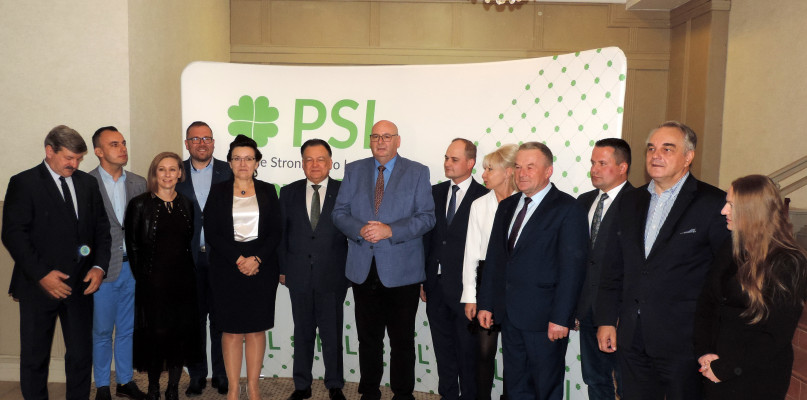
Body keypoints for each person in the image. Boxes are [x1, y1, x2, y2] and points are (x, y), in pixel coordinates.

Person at [595, 121, 730, 400]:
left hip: (685, 342)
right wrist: (606, 319)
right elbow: (613, 267)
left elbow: (724, 275)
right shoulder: (630, 202)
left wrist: (715, 341)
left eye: (667, 149)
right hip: (632, 338)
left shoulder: (712, 203)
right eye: (651, 149)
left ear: (688, 156)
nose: (656, 155)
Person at [2, 125, 111, 399]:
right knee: (35, 356)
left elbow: (101, 229)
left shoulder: (88, 183)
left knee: (80, 356)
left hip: (81, 285)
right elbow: (13, 234)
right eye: (69, 158)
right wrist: (43, 275)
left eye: (79, 159)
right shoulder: (24, 182)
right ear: (49, 151)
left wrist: (99, 267)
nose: (74, 164)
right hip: (38, 286)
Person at [332, 120, 436, 400]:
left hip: (403, 272)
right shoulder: (354, 170)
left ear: (398, 141)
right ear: (370, 140)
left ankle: (403, 394)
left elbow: (427, 218)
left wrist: (390, 230)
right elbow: (339, 213)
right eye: (375, 136)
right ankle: (369, 391)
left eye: (387, 136)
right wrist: (360, 230)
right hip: (363, 270)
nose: (380, 141)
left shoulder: (417, 172)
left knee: (402, 341)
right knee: (368, 339)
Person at [477, 142, 589, 400]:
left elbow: (572, 270)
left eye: (530, 167)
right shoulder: (507, 205)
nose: (522, 173)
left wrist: (561, 317)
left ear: (548, 171)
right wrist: (487, 303)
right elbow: (495, 259)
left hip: (546, 319)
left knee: (545, 387)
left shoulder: (568, 208)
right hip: (509, 314)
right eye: (518, 167)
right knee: (515, 386)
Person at [694, 175, 807, 400]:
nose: (723, 211)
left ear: (753, 211)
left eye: (732, 205)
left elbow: (776, 335)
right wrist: (704, 351)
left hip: (755, 375)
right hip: (715, 364)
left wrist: (726, 368)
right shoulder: (731, 245)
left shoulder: (789, 261)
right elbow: (707, 302)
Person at [204, 135, 282, 400]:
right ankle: (234, 389)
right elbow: (212, 232)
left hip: (261, 268)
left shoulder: (268, 190)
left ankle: (254, 387)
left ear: (257, 162)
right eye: (237, 158)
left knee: (256, 329)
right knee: (231, 330)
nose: (243, 163)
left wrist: (256, 259)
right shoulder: (218, 191)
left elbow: (275, 232)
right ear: (229, 163)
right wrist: (239, 259)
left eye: (249, 158)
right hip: (227, 268)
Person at [125, 152, 204, 400]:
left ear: (180, 173)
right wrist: (144, 278)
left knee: (179, 335)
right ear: (154, 173)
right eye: (162, 169)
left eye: (173, 169)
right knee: (156, 335)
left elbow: (188, 243)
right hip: (153, 283)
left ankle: (172, 388)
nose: (167, 174)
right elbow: (133, 246)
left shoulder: (187, 204)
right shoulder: (139, 204)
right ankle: (153, 387)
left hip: (183, 282)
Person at [279, 139, 349, 400]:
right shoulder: (288, 192)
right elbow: (281, 235)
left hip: (333, 274)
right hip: (297, 274)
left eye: (321, 159)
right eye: (309, 159)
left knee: (332, 333)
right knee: (302, 332)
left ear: (330, 163)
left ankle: (335, 384)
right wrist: (282, 269)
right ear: (302, 163)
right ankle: (302, 385)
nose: (315, 164)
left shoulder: (345, 191)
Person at [422, 138, 488, 400]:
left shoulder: (484, 197)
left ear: (471, 163)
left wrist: (479, 291)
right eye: (446, 158)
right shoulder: (434, 192)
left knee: (468, 353)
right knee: (443, 350)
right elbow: (427, 238)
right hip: (435, 286)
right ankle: (447, 395)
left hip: (467, 292)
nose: (447, 163)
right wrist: (423, 279)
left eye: (454, 159)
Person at [89, 126, 148, 400]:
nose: (122, 148)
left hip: (132, 268)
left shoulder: (138, 183)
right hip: (101, 270)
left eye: (123, 143)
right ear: (98, 151)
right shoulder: (86, 183)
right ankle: (102, 385)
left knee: (127, 329)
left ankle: (125, 381)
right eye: (114, 144)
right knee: (102, 330)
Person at [175, 121, 232, 396]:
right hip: (188, 259)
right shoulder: (176, 172)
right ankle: (197, 374)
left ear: (213, 143)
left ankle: (221, 374)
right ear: (187, 144)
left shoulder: (228, 171)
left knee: (221, 319)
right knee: (193, 321)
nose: (201, 143)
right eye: (195, 139)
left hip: (221, 258)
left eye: (206, 138)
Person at [574, 138, 632, 400]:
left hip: (621, 313)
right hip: (587, 310)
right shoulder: (583, 201)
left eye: (602, 163)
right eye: (592, 163)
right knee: (595, 379)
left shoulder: (638, 202)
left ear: (622, 167)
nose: (594, 169)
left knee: (625, 381)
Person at [460, 144, 518, 400]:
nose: (483, 175)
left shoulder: (524, 203)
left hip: (517, 282)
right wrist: (471, 297)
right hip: (486, 281)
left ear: (508, 172)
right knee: (484, 352)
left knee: (516, 354)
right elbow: (471, 253)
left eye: (489, 169)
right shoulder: (479, 205)